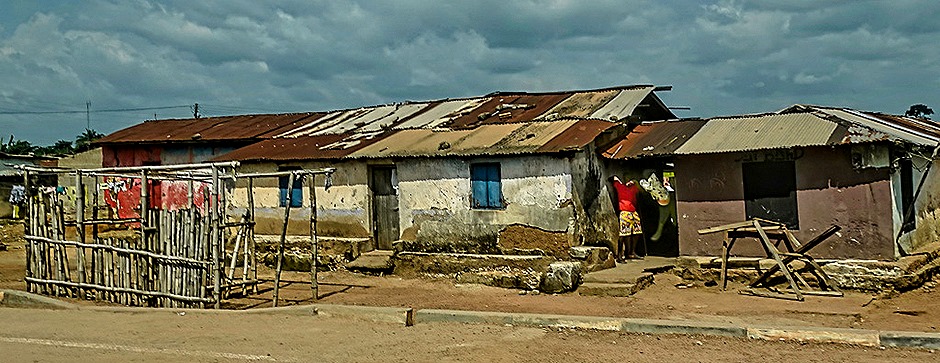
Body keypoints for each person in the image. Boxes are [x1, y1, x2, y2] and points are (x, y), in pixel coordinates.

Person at [610, 175, 642, 261]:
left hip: (633, 211)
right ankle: (620, 255)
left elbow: (640, 187)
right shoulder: (620, 186)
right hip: (624, 212)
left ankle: (632, 252)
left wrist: (634, 181)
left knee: (637, 232)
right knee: (623, 234)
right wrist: (619, 180)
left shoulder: (634, 188)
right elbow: (613, 178)